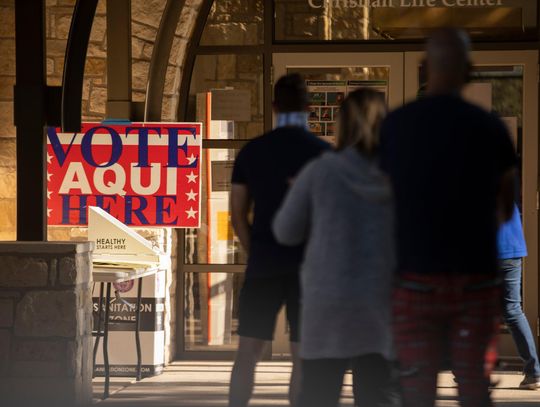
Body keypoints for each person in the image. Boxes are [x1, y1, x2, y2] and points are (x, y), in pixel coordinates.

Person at [379, 28, 517, 407]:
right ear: (469, 71)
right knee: (473, 385)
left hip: (413, 278)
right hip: (474, 279)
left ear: (424, 68)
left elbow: (381, 201)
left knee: (416, 388)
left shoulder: (395, 126)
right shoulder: (489, 129)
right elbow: (505, 208)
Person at [273, 89, 396, 407]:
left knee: (318, 395)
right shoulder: (401, 175)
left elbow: (285, 232)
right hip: (383, 308)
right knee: (379, 396)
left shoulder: (321, 172)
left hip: (327, 307)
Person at [228, 73, 330, 407]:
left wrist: (253, 250)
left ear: (274, 106)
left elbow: (238, 214)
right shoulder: (323, 154)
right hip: (309, 270)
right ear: (309, 107)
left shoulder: (252, 152)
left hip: (264, 266)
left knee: (248, 351)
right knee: (303, 355)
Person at [498, 204, 540, 389]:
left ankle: (470, 373)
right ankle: (533, 372)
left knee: (471, 310)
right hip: (511, 249)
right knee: (513, 310)